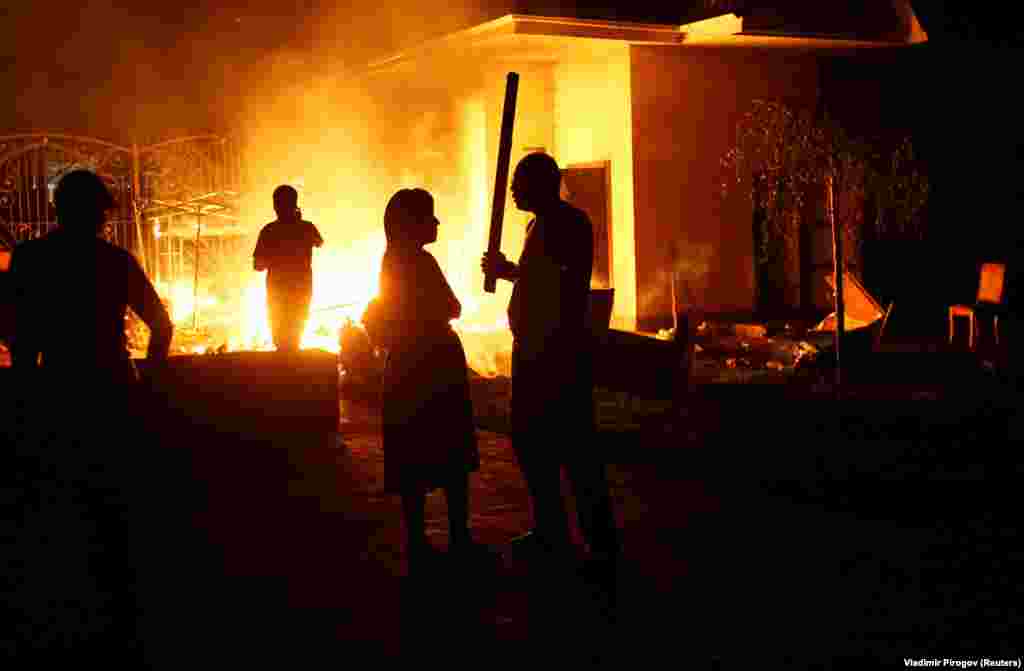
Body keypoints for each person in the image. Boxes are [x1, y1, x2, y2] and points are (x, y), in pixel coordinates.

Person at [5, 169, 174, 664]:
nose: (103, 220)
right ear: (97, 213)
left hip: (57, 390)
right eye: (102, 211)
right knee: (115, 504)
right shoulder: (114, 261)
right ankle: (120, 611)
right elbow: (160, 326)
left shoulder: (32, 259)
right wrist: (151, 379)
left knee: (62, 500)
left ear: (57, 209)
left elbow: (16, 335)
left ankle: (68, 608)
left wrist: (26, 387)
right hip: (112, 391)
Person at [481, 152, 620, 564]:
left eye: (519, 183)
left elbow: (559, 283)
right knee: (532, 447)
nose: (512, 191)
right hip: (532, 352)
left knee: (575, 449)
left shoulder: (570, 225)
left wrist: (513, 273)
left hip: (558, 353)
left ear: (542, 183)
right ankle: (551, 531)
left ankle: (598, 541)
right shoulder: (536, 225)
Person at [362, 188, 487, 574]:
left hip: (407, 367)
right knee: (450, 452)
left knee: (412, 455)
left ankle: (417, 540)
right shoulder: (419, 261)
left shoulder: (392, 261)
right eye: (429, 217)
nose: (436, 223)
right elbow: (452, 306)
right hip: (434, 365)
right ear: (411, 224)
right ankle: (458, 537)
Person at [253, 185, 323, 351]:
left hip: (277, 290)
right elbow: (319, 242)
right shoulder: (306, 227)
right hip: (301, 289)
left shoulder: (269, 231)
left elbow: (258, 266)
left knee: (280, 337)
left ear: (275, 206)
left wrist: (276, 258)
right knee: (295, 334)